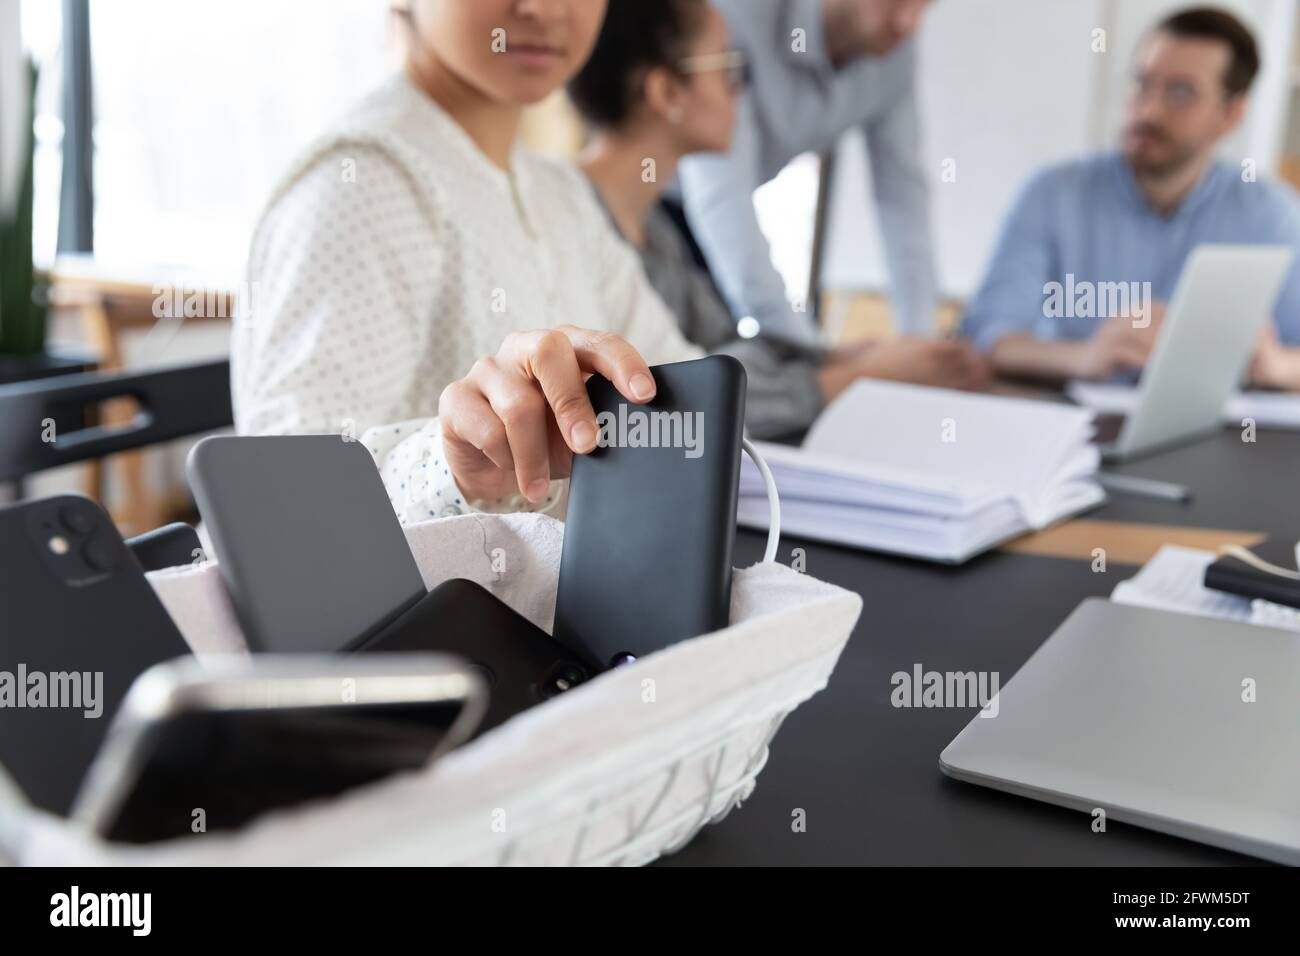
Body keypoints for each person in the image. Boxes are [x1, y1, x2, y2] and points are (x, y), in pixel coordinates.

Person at [234, 0, 704, 524]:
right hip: (448, 604)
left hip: (587, 591)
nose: (544, 9)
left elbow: (684, 386)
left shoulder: (559, 192)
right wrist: (451, 467)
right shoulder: (356, 187)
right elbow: (284, 508)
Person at [569, 0, 987, 438]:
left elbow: (715, 361)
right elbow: (670, 414)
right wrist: (847, 372)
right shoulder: (586, 231)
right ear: (668, 93)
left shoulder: (656, 242)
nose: (742, 92)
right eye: (732, 70)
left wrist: (865, 356)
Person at [961, 6, 1300, 390]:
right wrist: (1087, 358)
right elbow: (988, 338)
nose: (1150, 108)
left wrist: (1274, 366)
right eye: (1142, 83)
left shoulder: (1274, 215)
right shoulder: (1051, 195)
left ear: (1231, 114)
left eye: (1180, 92)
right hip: (1068, 424)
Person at [677, 0, 939, 345]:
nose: (907, 23)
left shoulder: (894, 53)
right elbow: (722, 195)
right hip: (660, 209)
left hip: (724, 230)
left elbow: (903, 195)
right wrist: (810, 357)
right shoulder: (738, 15)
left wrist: (919, 342)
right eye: (896, 2)